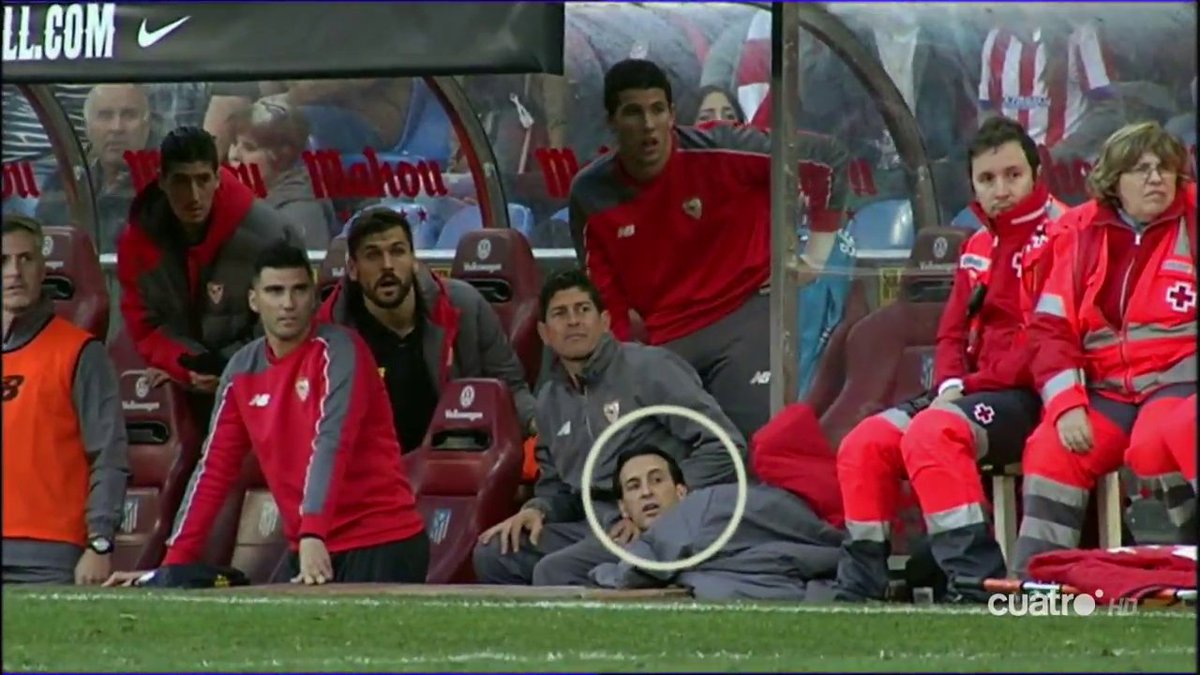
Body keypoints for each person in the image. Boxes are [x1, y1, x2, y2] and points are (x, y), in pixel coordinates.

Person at [835, 117, 1066, 602]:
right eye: (987, 179)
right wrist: (949, 387)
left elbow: (1047, 343)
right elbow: (951, 333)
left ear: (1036, 174)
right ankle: (861, 591)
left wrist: (965, 390)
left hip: (1039, 396)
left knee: (932, 432)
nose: (1001, 190)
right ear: (973, 186)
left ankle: (974, 584)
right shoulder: (977, 245)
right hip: (970, 396)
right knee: (864, 443)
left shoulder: (1066, 234)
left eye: (1012, 175)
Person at [104, 243, 428, 587]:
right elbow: (215, 469)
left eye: (299, 290)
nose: (288, 303)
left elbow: (332, 442)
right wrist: (173, 567)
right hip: (309, 542)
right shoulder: (241, 369)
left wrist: (312, 531)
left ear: (313, 297)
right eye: (275, 291)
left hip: (381, 539)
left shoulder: (340, 351)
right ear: (253, 300)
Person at [569, 59, 851, 441]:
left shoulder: (723, 147)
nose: (648, 125)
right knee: (655, 447)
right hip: (668, 337)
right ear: (612, 122)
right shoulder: (590, 193)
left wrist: (814, 258)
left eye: (657, 110)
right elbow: (606, 301)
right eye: (633, 112)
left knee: (751, 441)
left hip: (746, 313)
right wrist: (623, 370)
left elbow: (827, 158)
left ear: (672, 115)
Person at [472, 269, 745, 587]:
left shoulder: (650, 368)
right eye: (560, 313)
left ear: (604, 321)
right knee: (495, 552)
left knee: (555, 571)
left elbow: (725, 445)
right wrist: (537, 509)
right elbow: (558, 488)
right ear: (544, 333)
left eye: (583, 310)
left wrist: (657, 503)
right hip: (596, 523)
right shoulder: (549, 400)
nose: (573, 321)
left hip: (657, 521)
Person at [1014, 121, 1196, 576]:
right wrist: (1066, 404)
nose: (1156, 179)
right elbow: (1050, 330)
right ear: (1114, 181)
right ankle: (1037, 579)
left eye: (1164, 169)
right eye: (1141, 169)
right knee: (1052, 448)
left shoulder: (1193, 221)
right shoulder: (1079, 232)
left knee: (1158, 441)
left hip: (1179, 378)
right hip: (1106, 389)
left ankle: (1188, 558)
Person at [317, 207, 536, 450]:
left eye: (397, 251)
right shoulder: (329, 334)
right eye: (373, 255)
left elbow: (511, 390)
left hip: (453, 458)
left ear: (413, 260)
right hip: (368, 464)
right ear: (353, 269)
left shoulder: (465, 306)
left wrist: (538, 424)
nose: (387, 265)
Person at [115, 126, 299, 409]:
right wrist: (185, 365)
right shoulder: (139, 239)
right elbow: (144, 324)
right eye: (181, 181)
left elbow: (288, 317)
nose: (194, 195)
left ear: (218, 178)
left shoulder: (268, 233)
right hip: (183, 384)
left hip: (261, 384)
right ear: (162, 181)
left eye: (202, 180)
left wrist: (228, 368)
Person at [2, 214, 130, 585]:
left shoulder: (80, 353)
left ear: (43, 269)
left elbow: (110, 454)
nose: (14, 273)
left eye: (26, 259)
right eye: (3, 261)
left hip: (51, 557)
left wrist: (100, 543)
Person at [588, 445, 844, 601]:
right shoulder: (692, 565)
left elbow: (639, 569)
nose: (647, 492)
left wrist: (607, 572)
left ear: (681, 492)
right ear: (623, 509)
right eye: (634, 487)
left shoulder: (706, 505)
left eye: (657, 480)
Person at [34, 84, 153, 253]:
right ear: (87, 128)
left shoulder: (165, 187)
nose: (116, 127)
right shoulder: (63, 182)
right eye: (105, 116)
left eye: (129, 115)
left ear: (146, 127)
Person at [227, 99, 338, 249]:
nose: (234, 155)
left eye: (249, 147)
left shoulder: (301, 210)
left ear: (284, 155)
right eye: (234, 143)